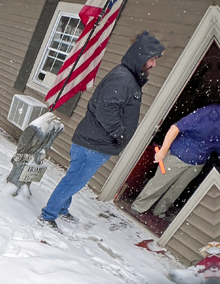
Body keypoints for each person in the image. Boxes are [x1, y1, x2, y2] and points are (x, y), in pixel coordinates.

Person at [39, 31, 165, 229]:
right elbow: (106, 110)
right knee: (73, 181)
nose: (153, 64)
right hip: (92, 145)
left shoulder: (128, 78)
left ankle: (61, 209)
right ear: (141, 57)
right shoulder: (123, 79)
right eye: (152, 59)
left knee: (75, 180)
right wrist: (120, 133)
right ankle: (48, 215)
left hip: (95, 143)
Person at [131, 104, 220, 218]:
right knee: (159, 184)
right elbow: (175, 128)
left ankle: (159, 212)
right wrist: (163, 150)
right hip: (178, 155)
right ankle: (138, 208)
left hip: (198, 163)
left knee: (176, 190)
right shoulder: (209, 112)